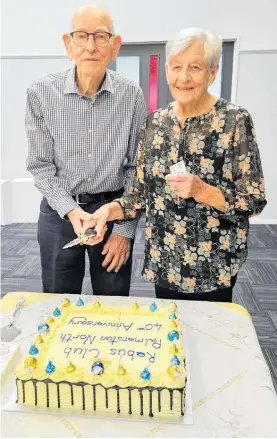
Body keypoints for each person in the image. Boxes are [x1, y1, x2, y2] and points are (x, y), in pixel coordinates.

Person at [84, 28, 267, 302]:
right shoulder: (154, 123)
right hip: (165, 260)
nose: (183, 77)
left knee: (208, 336)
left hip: (213, 264)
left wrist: (203, 191)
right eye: (176, 67)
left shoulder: (234, 120)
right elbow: (138, 195)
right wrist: (106, 212)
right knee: (172, 336)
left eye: (195, 67)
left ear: (212, 72)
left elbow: (254, 199)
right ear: (167, 70)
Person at [26, 5, 146, 295]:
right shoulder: (40, 93)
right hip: (59, 213)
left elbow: (138, 169)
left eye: (101, 36)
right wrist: (71, 211)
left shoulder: (132, 95)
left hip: (114, 211)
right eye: (81, 36)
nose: (90, 46)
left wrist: (124, 231)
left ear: (114, 46)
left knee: (113, 303)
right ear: (69, 44)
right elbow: (40, 167)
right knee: (57, 300)